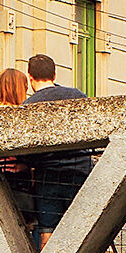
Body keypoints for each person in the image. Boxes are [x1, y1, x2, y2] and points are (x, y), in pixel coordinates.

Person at [22, 54, 91, 235]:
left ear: (30, 78)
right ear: (54, 75)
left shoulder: (28, 106)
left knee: (47, 232)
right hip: (79, 171)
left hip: (48, 177)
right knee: (79, 234)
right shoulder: (77, 96)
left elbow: (25, 149)